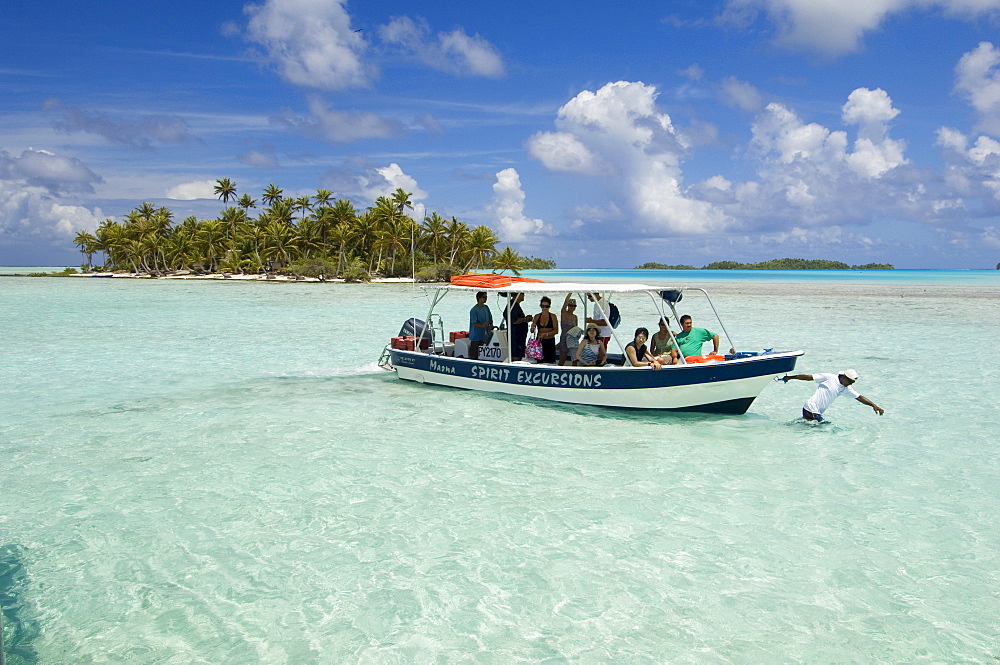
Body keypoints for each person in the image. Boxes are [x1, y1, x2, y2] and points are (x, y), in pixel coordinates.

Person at [782, 369, 885, 422]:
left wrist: (874, 405)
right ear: (843, 377)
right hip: (811, 408)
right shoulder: (829, 377)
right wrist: (791, 377)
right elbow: (809, 377)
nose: (851, 384)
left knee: (813, 427)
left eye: (852, 382)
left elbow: (859, 397)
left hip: (815, 412)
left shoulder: (846, 388)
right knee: (823, 429)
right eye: (850, 381)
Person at [503, 292, 531, 361]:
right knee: (516, 353)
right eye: (522, 294)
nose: (524, 295)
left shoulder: (515, 305)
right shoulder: (513, 305)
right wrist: (525, 319)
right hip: (515, 336)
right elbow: (514, 320)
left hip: (519, 336)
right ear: (517, 295)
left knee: (519, 353)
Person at [531, 296, 559, 363]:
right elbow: (532, 330)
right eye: (542, 306)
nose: (544, 308)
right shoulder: (537, 316)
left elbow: (556, 331)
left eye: (546, 306)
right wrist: (532, 328)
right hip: (540, 341)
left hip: (550, 341)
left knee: (550, 361)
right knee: (539, 361)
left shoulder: (553, 316)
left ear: (549, 306)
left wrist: (546, 334)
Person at [468, 291, 494, 360]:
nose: (486, 299)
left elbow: (490, 318)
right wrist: (482, 325)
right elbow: (474, 323)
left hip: (485, 335)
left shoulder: (486, 307)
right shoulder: (474, 310)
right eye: (484, 297)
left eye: (486, 297)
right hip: (476, 336)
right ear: (479, 298)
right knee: (475, 353)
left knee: (483, 352)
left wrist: (491, 324)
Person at [557, 293, 579, 366]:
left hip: (572, 339)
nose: (572, 307)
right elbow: (565, 303)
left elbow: (576, 329)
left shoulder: (575, 317)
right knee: (562, 359)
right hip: (564, 338)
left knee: (575, 359)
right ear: (568, 306)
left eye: (574, 306)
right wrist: (570, 292)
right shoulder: (564, 314)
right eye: (571, 305)